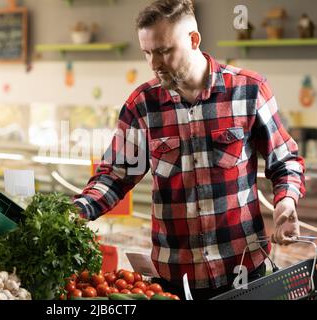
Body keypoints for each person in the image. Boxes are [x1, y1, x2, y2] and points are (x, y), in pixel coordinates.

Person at [73, 0, 306, 300]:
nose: (154, 63)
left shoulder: (249, 90)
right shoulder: (142, 104)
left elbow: (284, 160)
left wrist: (285, 203)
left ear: (194, 40)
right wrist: (78, 211)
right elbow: (115, 175)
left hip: (245, 273)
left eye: (163, 51)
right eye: (147, 53)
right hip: (174, 280)